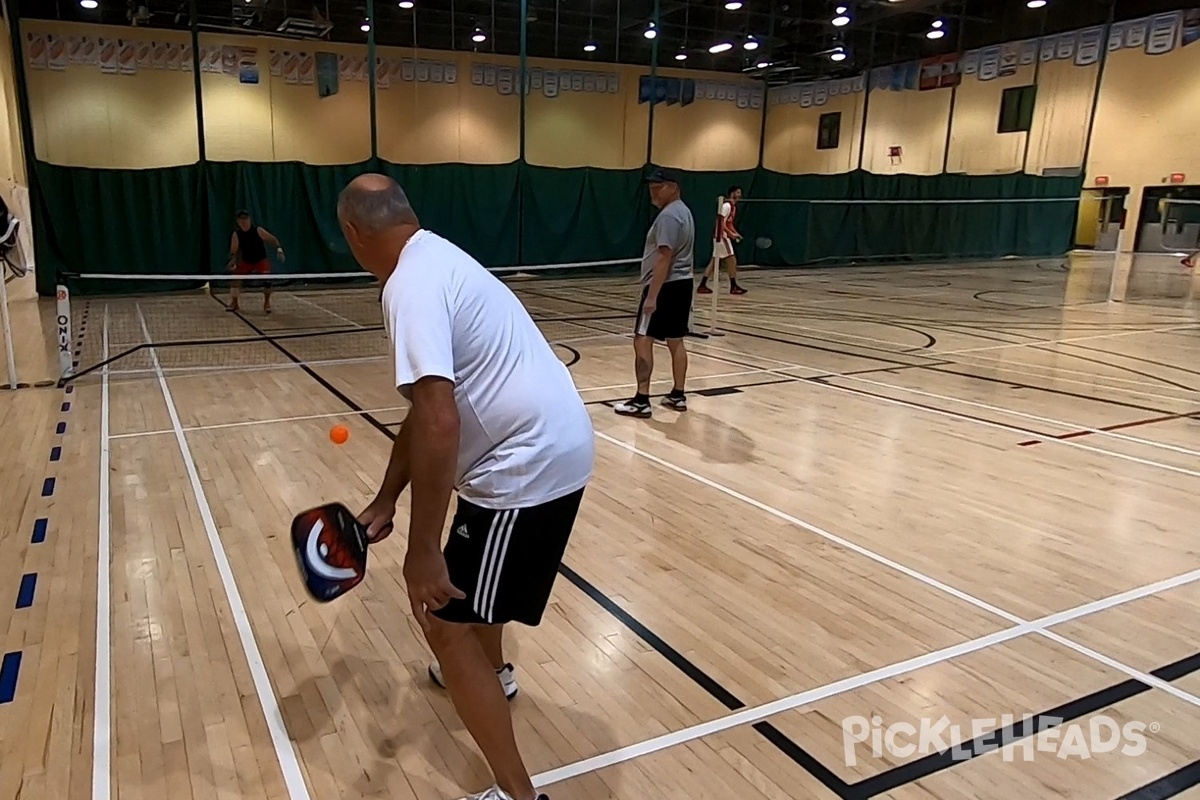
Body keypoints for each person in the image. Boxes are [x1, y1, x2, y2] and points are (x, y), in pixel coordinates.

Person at [338, 173, 594, 800]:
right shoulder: (438, 255)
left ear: (352, 234)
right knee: (476, 592)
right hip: (546, 449)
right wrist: (387, 498)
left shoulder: (409, 288)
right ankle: (496, 673)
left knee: (443, 620)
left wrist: (422, 548)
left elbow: (439, 420)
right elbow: (423, 414)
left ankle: (518, 794)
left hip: (524, 466)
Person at [613, 168, 695, 419]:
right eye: (652, 186)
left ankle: (641, 399)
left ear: (674, 187)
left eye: (659, 186)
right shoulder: (684, 212)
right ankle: (677, 395)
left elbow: (664, 256)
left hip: (665, 286)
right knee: (675, 339)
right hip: (683, 284)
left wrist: (652, 296)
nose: (653, 190)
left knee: (642, 339)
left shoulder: (669, 216)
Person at [226, 210, 285, 313]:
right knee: (235, 281)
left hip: (261, 261)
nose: (244, 222)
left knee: (267, 282)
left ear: (249, 220)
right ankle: (234, 303)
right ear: (238, 222)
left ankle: (267, 303)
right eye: (241, 219)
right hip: (246, 261)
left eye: (246, 219)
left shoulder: (258, 230)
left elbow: (273, 239)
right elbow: (233, 250)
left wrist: (279, 249)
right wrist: (232, 260)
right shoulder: (236, 234)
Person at [697, 185, 747, 296]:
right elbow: (720, 222)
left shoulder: (733, 207)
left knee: (714, 261)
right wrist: (730, 235)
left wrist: (736, 233)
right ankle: (733, 286)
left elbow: (729, 223)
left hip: (723, 236)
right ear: (732, 193)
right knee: (732, 259)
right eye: (738, 193)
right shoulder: (726, 206)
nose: (740, 195)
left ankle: (702, 285)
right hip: (721, 236)